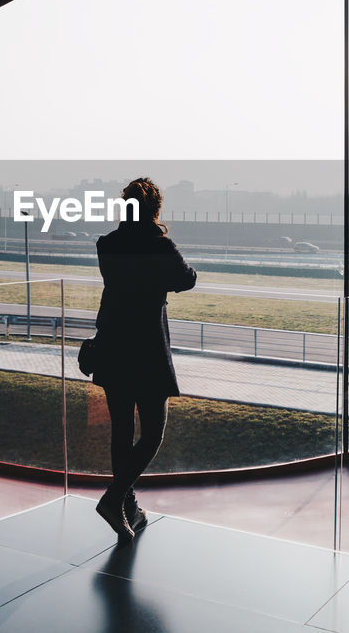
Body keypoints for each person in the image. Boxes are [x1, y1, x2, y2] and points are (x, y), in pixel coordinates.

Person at [92, 177, 197, 541]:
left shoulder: (107, 245)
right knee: (153, 432)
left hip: (112, 347)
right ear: (154, 209)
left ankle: (128, 508)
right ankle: (115, 498)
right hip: (147, 352)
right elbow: (187, 279)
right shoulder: (160, 246)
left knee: (121, 433)